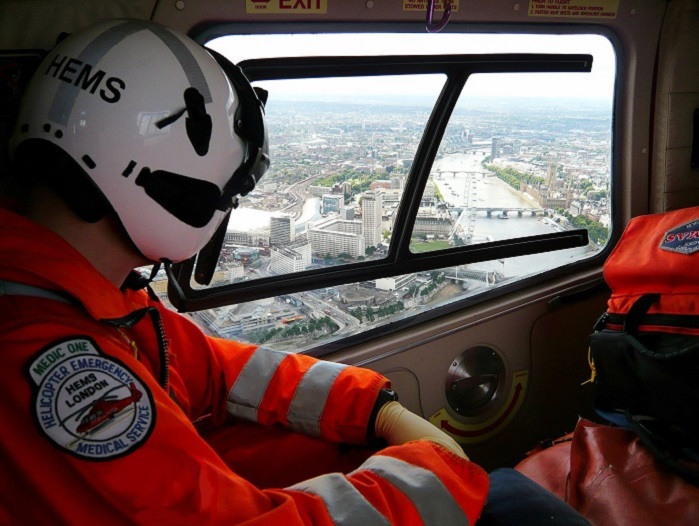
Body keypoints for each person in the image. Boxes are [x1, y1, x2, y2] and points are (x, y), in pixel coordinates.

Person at [0, 18, 489, 524]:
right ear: (175, 186)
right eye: (229, 193)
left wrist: (371, 407)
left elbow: (216, 372)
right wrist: (438, 470)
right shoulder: (47, 365)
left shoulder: (89, 298)